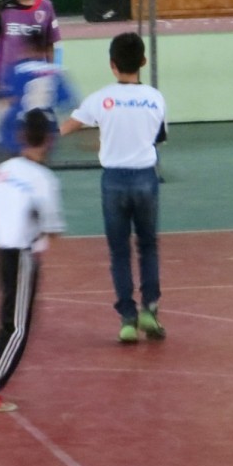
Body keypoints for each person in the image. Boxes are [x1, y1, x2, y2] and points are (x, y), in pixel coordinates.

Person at [60, 32, 167, 343]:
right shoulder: (155, 98)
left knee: (119, 251)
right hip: (146, 177)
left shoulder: (100, 98)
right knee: (147, 246)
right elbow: (158, 136)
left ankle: (127, 318)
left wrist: (41, 138)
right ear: (143, 62)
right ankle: (150, 308)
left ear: (112, 64)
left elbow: (70, 126)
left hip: (114, 181)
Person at [0, 108, 65, 413]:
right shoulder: (45, 180)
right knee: (17, 328)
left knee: (9, 321)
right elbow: (52, 228)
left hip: (0, 249)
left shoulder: (4, 170)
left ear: (21, 136)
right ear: (50, 140)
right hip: (22, 255)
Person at [0, 0, 61, 145]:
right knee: (1, 127)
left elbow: (49, 43)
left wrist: (49, 71)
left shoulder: (46, 7)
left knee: (30, 129)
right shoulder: (3, 6)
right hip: (3, 76)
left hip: (33, 80)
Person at [0, 31, 77, 162]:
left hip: (16, 133)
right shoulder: (57, 72)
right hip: (44, 136)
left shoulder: (15, 70)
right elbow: (70, 107)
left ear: (26, 48)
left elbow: (6, 101)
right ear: (45, 49)